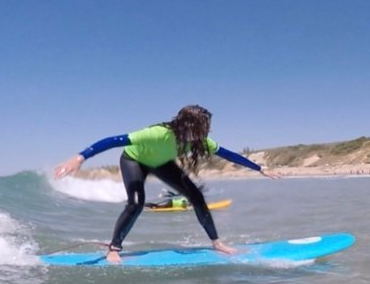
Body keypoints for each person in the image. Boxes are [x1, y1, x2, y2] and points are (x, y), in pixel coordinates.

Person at [54, 105, 279, 263]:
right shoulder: (157, 133)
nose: (206, 133)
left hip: (161, 163)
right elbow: (114, 140)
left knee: (197, 197)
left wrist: (260, 168)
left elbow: (229, 155)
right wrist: (80, 157)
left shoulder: (202, 142)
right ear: (187, 126)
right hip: (134, 160)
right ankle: (114, 248)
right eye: (203, 128)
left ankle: (217, 243)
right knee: (136, 203)